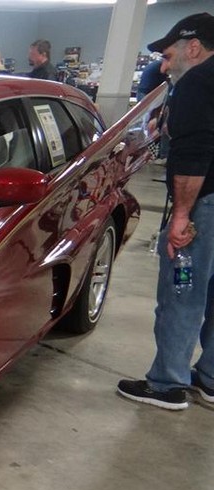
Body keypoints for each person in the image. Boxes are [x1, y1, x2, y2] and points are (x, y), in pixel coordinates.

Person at [117, 12, 214, 410]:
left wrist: (180, 218)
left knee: (182, 291)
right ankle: (209, 378)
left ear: (194, 48)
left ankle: (167, 384)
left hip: (204, 208)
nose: (165, 64)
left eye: (170, 54)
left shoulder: (196, 83)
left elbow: (194, 155)